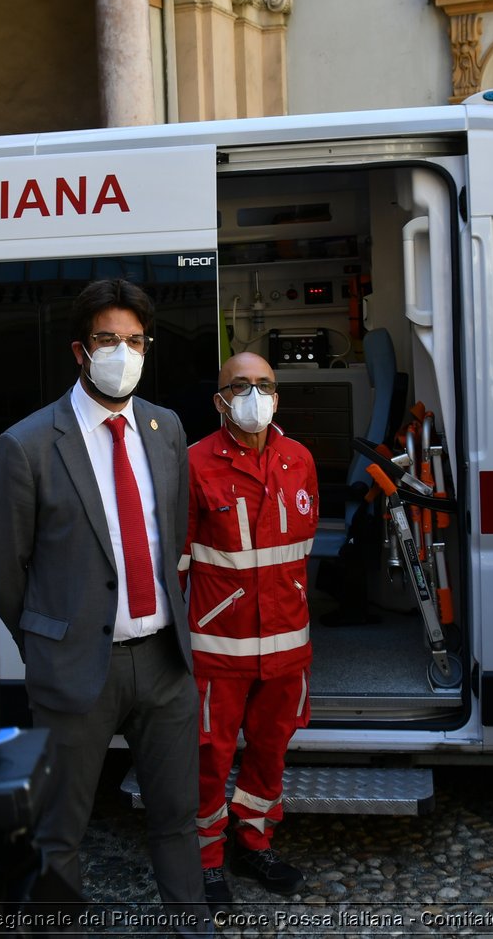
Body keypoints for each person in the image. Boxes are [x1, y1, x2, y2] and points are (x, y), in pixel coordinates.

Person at [0, 279, 209, 935]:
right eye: (110, 339)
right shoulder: (25, 445)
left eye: (136, 341)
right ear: (80, 350)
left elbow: (171, 533)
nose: (124, 353)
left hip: (164, 663)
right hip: (77, 669)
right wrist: (52, 643)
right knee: (61, 831)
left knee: (175, 815)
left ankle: (193, 926)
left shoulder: (167, 430)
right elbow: (5, 571)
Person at [185, 352, 318, 907]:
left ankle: (254, 838)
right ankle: (207, 857)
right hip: (221, 647)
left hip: (288, 644)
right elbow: (177, 559)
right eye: (240, 385)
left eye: (264, 384)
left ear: (277, 396)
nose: (254, 395)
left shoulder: (300, 459)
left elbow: (300, 551)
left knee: (271, 748)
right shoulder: (193, 463)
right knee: (209, 754)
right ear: (220, 399)